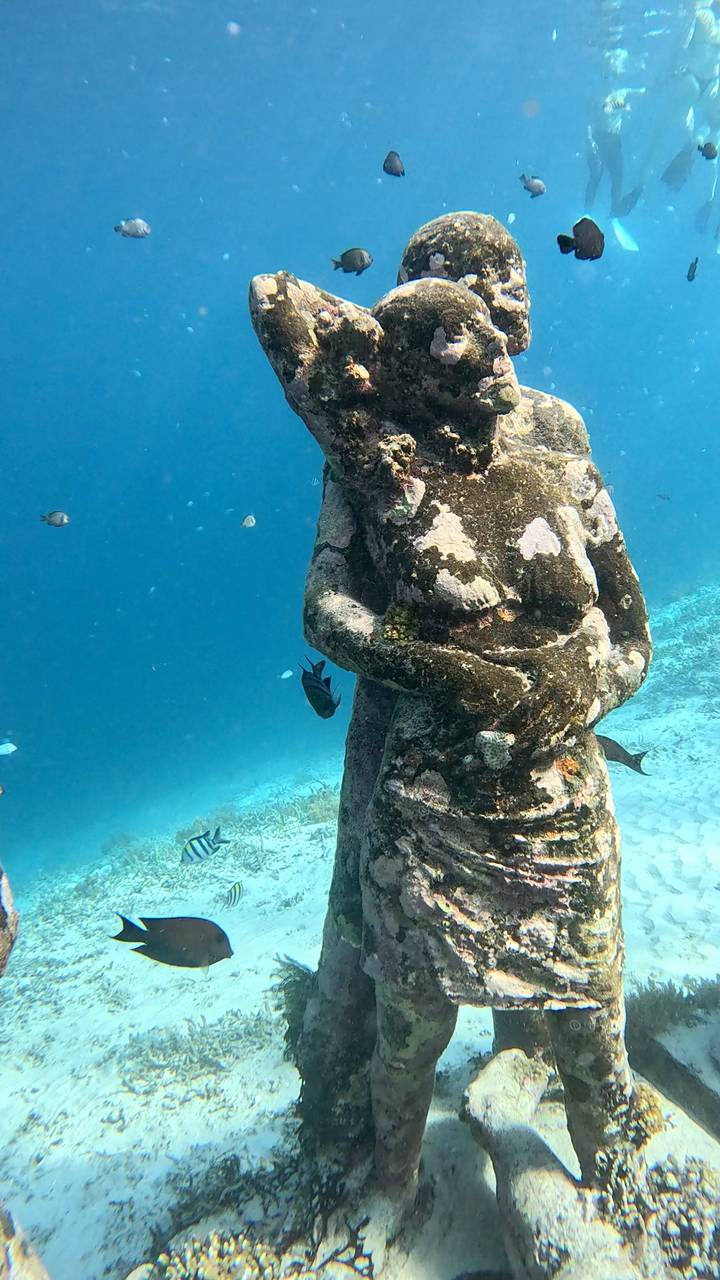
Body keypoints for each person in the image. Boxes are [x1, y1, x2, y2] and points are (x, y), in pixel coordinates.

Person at [250, 213, 652, 1202]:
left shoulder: (557, 433)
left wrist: (584, 682)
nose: (513, 302)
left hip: (550, 749)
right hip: (409, 726)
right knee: (382, 958)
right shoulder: (372, 446)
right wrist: (434, 667)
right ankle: (351, 1119)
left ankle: (537, 1073)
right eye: (484, 283)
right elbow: (330, 599)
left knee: (580, 997)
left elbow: (619, 619)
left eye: (513, 278)